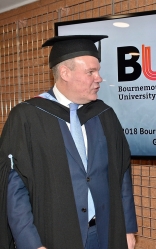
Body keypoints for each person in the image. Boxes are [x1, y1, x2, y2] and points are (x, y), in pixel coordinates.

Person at [0, 35, 137, 249]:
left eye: (98, 71)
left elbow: (122, 173)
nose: (99, 78)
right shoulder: (27, 117)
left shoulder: (104, 115)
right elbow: (14, 188)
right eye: (91, 72)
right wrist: (31, 243)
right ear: (65, 72)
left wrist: (128, 228)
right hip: (53, 236)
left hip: (106, 232)